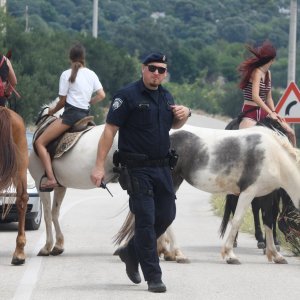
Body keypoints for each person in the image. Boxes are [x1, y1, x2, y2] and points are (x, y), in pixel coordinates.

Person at [90, 52, 191, 293]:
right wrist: (98, 166)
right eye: (152, 68)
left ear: (165, 74)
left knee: (166, 215)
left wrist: (185, 115)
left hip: (162, 167)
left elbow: (173, 124)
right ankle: (153, 276)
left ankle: (130, 251)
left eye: (161, 70)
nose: (157, 73)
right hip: (137, 168)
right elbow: (109, 131)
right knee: (145, 220)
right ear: (143, 69)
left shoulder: (166, 96)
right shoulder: (127, 96)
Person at [35, 43, 105, 191]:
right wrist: (89, 101)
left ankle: (51, 178)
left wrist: (51, 111)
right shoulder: (91, 74)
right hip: (85, 115)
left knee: (40, 143)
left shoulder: (66, 74)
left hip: (70, 116)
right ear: (83, 58)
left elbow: (62, 101)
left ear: (70, 58)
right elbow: (102, 95)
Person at [237, 40, 296, 146]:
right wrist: (270, 112)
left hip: (264, 113)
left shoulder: (268, 73)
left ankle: (294, 161)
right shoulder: (256, 72)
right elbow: (255, 97)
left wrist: (274, 112)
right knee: (245, 142)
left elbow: (269, 98)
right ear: (272, 60)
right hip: (250, 112)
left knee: (290, 133)